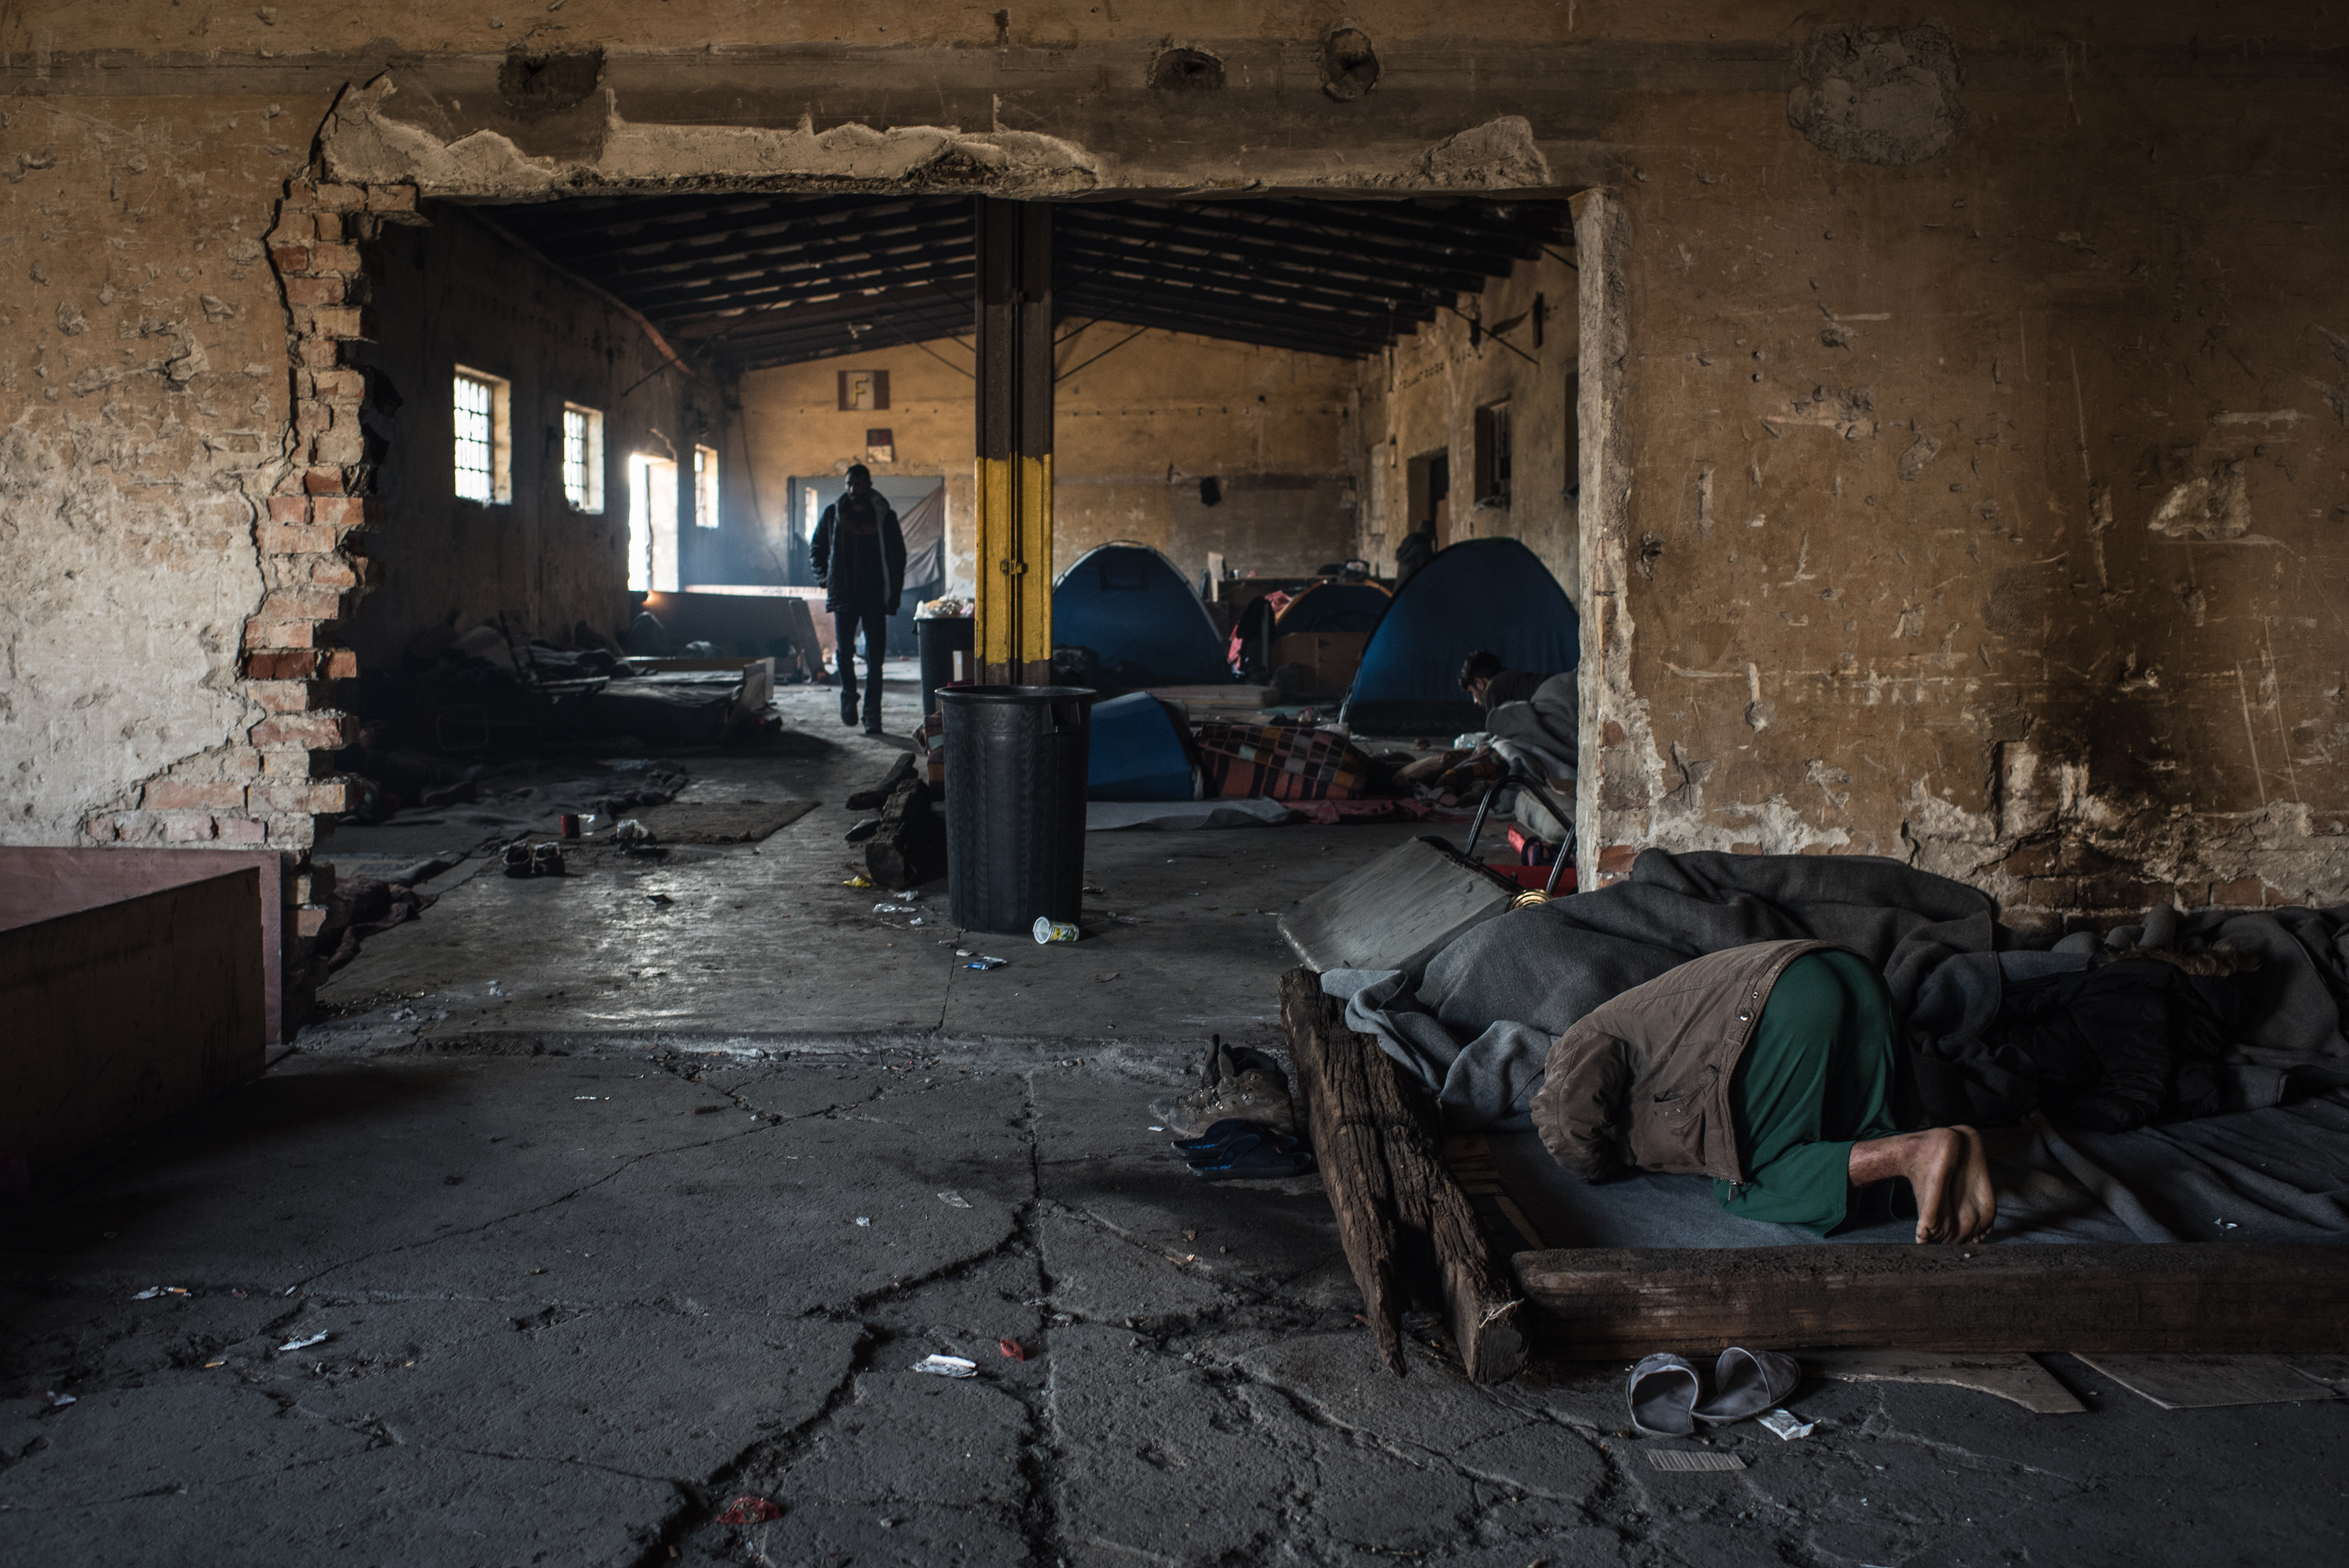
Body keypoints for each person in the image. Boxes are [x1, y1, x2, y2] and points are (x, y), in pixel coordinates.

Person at [1530, 939, 1996, 1243]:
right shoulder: (1643, 1025)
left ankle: (1917, 1151)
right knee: (1851, 1138)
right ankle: (1956, 1147)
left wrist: (1592, 1166)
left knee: (1744, 1186)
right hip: (1853, 975)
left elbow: (1565, 1119)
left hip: (1784, 1004)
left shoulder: (1577, 1042)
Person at [810, 464, 906, 733]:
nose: (854, 490)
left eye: (859, 485)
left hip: (875, 596)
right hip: (845, 595)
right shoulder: (833, 515)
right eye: (850, 484)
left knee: (875, 660)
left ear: (869, 485)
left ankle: (872, 716)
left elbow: (898, 558)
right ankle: (849, 697)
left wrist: (893, 595)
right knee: (844, 654)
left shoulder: (885, 517)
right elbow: (816, 548)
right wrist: (825, 578)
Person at [1458, 649, 1543, 710]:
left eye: (1472, 692)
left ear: (1480, 683)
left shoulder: (1495, 688)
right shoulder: (1511, 680)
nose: (1475, 701)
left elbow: (1498, 732)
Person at [1393, 517, 1436, 586]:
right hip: (1415, 591)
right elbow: (1427, 573)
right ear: (1429, 534)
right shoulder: (1423, 549)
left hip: (1401, 591)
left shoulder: (1407, 546)